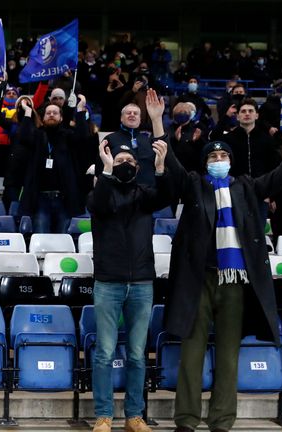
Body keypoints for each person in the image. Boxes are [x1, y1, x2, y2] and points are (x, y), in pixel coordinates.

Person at [148, 90, 282, 432]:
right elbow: (174, 165)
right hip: (199, 280)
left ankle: (222, 421)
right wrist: (156, 120)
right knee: (192, 353)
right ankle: (186, 420)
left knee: (228, 355)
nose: (219, 158)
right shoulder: (194, 185)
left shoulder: (246, 187)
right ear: (206, 162)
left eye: (224, 154)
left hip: (236, 280)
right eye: (213, 155)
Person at [88, 134, 170, 432]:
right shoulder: (102, 192)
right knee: (105, 352)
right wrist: (107, 169)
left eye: (129, 162)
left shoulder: (144, 195)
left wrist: (159, 167)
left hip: (141, 284)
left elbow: (165, 196)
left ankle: (134, 415)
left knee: (137, 354)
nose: (124, 165)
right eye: (119, 160)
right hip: (108, 282)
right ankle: (103, 415)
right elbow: (97, 205)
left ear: (137, 168)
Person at [18, 100, 91, 233]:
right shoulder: (37, 135)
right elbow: (23, 137)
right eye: (48, 113)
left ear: (61, 117)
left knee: (62, 239)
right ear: (43, 117)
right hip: (40, 199)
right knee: (41, 237)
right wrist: (28, 112)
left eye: (55, 113)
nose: (51, 115)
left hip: (64, 198)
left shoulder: (68, 136)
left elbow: (83, 136)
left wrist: (80, 110)